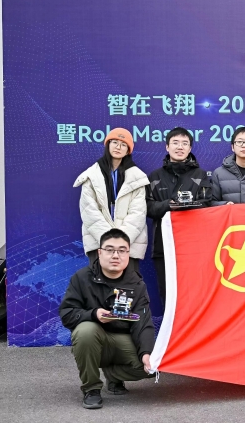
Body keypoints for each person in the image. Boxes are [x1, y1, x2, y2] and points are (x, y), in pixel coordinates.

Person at [60, 229, 155, 410]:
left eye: (122, 250)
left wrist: (146, 353)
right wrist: (93, 314)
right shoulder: (81, 278)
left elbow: (142, 323)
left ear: (128, 254)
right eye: (110, 250)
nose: (115, 255)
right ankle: (91, 389)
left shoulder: (137, 284)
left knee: (154, 366)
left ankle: (113, 375)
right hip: (93, 339)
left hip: (124, 340)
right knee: (85, 331)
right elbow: (67, 314)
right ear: (99, 252)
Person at [146, 127, 213, 307]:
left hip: (193, 245)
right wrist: (168, 205)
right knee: (167, 294)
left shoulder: (200, 175)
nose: (180, 147)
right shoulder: (155, 176)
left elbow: (207, 203)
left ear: (190, 148)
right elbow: (147, 208)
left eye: (184, 143)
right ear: (167, 147)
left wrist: (187, 206)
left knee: (194, 295)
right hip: (163, 245)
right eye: (175, 143)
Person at [74, 128, 148, 272]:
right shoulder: (91, 175)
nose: (118, 147)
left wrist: (121, 241)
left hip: (129, 245)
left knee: (128, 284)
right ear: (107, 145)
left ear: (128, 150)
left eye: (123, 144)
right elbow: (89, 211)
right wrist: (107, 240)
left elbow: (138, 213)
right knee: (98, 284)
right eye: (114, 142)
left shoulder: (138, 178)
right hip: (98, 243)